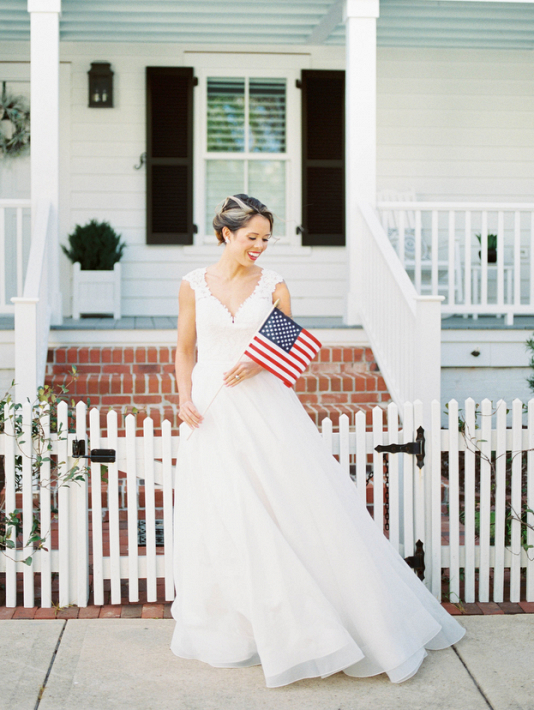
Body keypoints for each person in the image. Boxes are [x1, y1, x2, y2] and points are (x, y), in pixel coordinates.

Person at [170, 193, 465, 688]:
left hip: (265, 407)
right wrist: (182, 398)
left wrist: (259, 360)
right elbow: (183, 349)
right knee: (225, 511)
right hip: (212, 412)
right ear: (226, 234)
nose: (260, 246)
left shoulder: (275, 285)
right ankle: (243, 626)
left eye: (266, 238)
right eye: (252, 237)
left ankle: (324, 625)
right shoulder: (192, 286)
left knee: (292, 506)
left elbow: (289, 351)